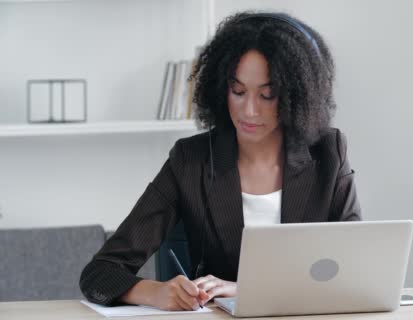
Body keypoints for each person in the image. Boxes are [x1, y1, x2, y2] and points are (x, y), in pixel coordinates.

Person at [79, 11, 361, 311]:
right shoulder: (191, 160)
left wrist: (246, 289)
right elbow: (99, 274)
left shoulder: (329, 153)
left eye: (267, 95)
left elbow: (353, 269)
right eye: (238, 91)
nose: (249, 111)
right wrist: (154, 292)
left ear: (297, 96)